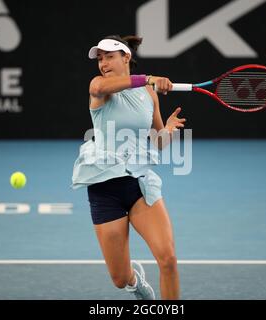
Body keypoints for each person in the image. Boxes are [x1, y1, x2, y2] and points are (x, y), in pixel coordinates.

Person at [71, 35, 186, 300]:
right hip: (105, 190)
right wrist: (148, 78)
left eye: (109, 56)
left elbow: (158, 143)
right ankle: (136, 283)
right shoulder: (99, 86)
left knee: (168, 260)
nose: (103, 63)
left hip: (139, 185)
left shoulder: (149, 95)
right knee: (119, 278)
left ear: (126, 57)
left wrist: (167, 129)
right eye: (100, 58)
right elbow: (101, 88)